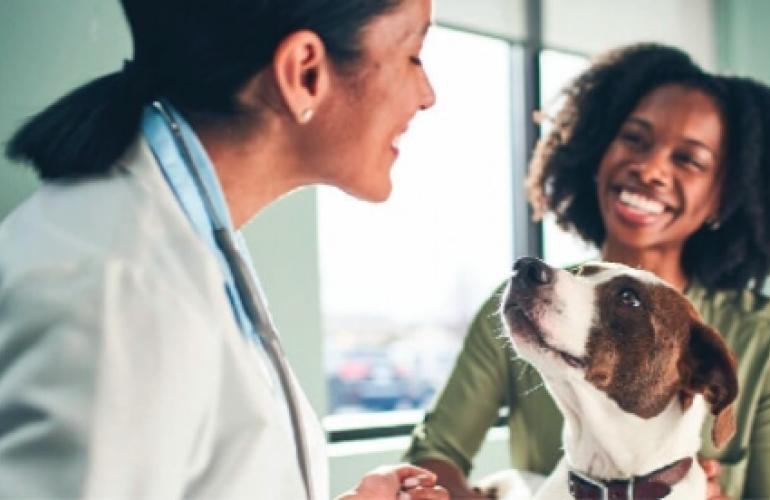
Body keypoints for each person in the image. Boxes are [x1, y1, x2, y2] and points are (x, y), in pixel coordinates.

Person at [0, 1, 448, 499]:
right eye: (414, 55)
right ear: (305, 72)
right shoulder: (120, 289)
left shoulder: (183, 241)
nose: (426, 95)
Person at [404, 43, 770, 500]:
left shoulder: (760, 337)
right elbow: (434, 453)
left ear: (725, 195)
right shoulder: (530, 297)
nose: (650, 168)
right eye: (634, 139)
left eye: (688, 159)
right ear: (597, 150)